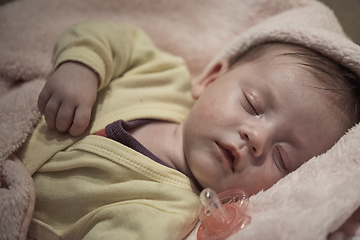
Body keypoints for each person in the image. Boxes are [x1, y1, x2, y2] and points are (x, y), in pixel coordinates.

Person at [17, 20, 360, 240]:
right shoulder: (161, 77)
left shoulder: (167, 212)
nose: (256, 139)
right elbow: (112, 35)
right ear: (210, 77)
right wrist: (82, 67)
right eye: (253, 105)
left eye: (282, 158)